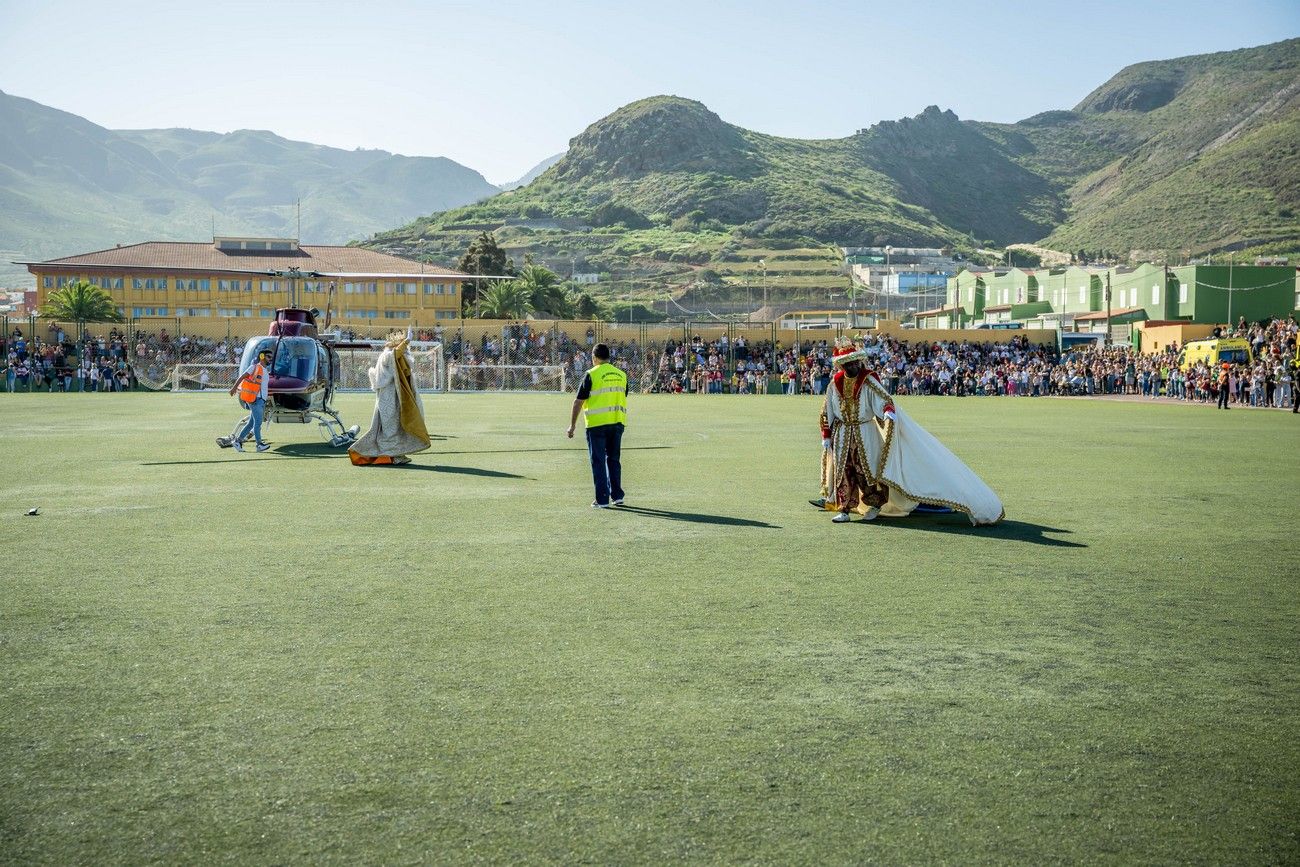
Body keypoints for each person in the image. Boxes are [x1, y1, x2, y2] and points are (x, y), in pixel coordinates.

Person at [816, 337, 1003, 525]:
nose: (854, 365)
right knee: (844, 472)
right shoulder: (835, 384)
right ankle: (844, 508)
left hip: (865, 433)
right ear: (843, 365)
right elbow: (827, 411)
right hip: (842, 435)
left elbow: (884, 399)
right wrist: (826, 434)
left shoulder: (868, 380)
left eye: (856, 361)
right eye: (850, 363)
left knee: (867, 471)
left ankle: (874, 505)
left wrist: (887, 412)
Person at [349, 335, 430, 465]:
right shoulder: (387, 356)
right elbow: (393, 355)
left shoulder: (397, 356)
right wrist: (405, 342)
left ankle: (398, 455)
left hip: (397, 397)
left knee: (398, 425)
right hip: (389, 397)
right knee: (390, 427)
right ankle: (389, 455)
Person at [566, 342, 627, 508]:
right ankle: (617, 496)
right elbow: (623, 395)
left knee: (598, 461)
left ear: (594, 358)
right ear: (608, 357)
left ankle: (602, 499)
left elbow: (578, 401)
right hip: (617, 423)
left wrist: (572, 426)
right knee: (614, 460)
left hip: (597, 425)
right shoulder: (621, 375)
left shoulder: (591, 374)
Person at [227, 348, 272, 452]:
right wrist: (234, 388)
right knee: (258, 422)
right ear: (262, 357)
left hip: (260, 400)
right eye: (268, 357)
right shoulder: (255, 367)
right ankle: (259, 444)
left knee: (251, 423)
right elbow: (242, 376)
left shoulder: (265, 370)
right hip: (255, 399)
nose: (270, 359)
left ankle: (238, 441)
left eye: (271, 357)